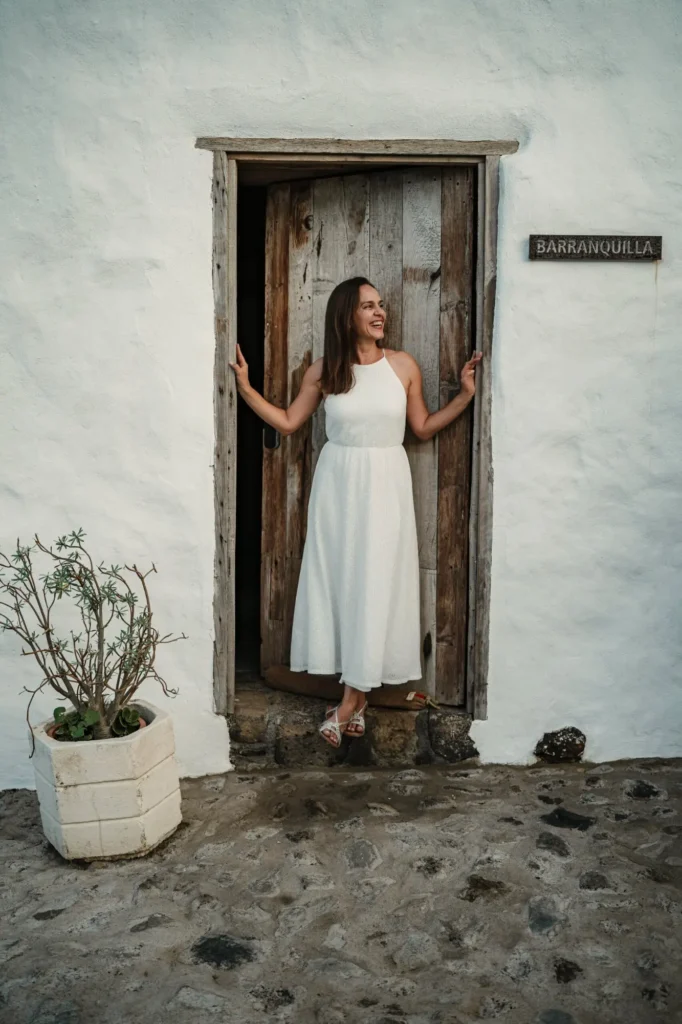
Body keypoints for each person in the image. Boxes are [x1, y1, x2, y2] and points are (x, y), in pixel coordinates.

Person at [230, 277, 481, 748]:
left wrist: (465, 395)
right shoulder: (326, 371)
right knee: (341, 582)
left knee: (375, 581)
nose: (379, 312)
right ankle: (357, 700)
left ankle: (349, 699)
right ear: (347, 316)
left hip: (385, 482)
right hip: (338, 485)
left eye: (380, 305)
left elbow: (423, 428)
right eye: (368, 306)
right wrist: (245, 387)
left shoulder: (403, 366)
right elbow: (287, 421)